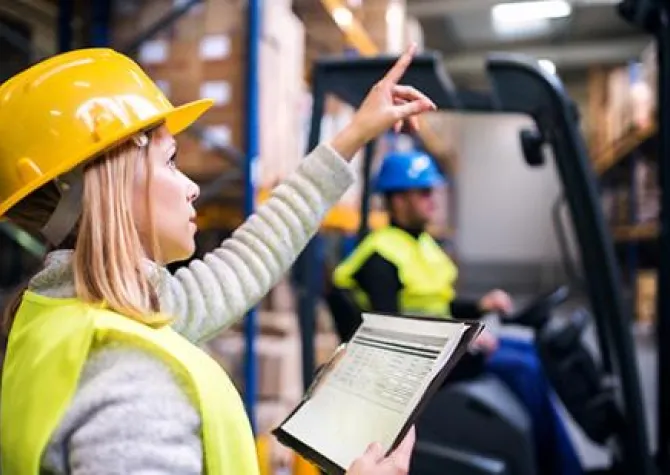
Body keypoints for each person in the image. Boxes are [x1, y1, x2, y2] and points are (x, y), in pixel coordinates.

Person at [0, 45, 436, 475]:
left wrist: (353, 135)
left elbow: (246, 261)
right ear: (107, 183)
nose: (191, 187)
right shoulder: (128, 377)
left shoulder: (64, 319)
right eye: (170, 161)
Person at [331, 148, 583, 475]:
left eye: (432, 191)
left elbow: (436, 302)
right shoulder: (381, 257)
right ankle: (562, 469)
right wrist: (464, 344)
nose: (433, 200)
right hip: (414, 369)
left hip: (439, 352)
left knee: (534, 352)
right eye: (423, 192)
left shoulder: (421, 245)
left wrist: (480, 305)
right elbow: (395, 335)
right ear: (398, 201)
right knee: (525, 369)